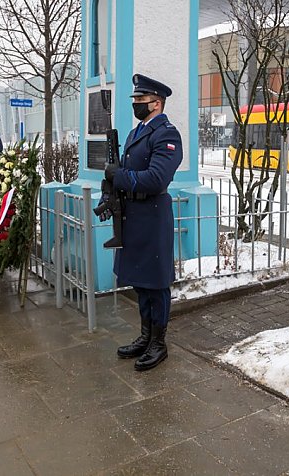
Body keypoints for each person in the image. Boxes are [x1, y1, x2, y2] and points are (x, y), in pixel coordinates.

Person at [101, 73, 182, 371]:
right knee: (140, 283)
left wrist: (117, 176)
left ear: (156, 103)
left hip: (152, 217)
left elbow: (156, 178)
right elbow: (121, 171)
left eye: (140, 100)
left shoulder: (166, 134)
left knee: (156, 284)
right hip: (133, 216)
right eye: (134, 99)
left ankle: (159, 343)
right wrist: (108, 192)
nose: (135, 104)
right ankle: (145, 336)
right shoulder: (138, 132)